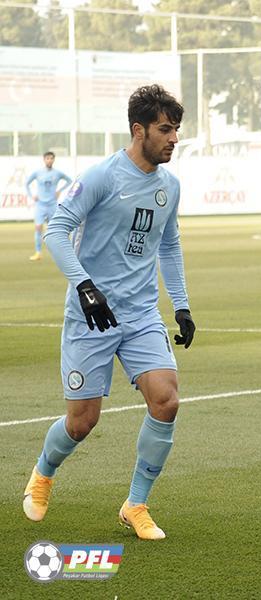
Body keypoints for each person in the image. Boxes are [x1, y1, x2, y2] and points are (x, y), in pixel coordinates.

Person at [22, 85, 195, 541]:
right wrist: (85, 286)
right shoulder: (101, 177)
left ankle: (135, 504)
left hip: (140, 315)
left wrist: (181, 305)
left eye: (176, 129)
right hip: (91, 315)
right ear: (139, 130)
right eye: (165, 129)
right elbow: (57, 230)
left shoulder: (170, 186)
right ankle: (43, 473)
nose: (174, 138)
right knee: (82, 422)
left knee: (166, 400)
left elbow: (169, 245)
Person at [24, 151, 72, 261]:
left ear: (54, 160)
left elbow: (69, 180)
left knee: (56, 229)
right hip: (40, 205)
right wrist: (32, 196)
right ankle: (38, 252)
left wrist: (59, 191)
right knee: (38, 227)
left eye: (51, 158)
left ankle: (60, 253)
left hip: (52, 205)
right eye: (47, 158)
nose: (49, 160)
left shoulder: (57, 173)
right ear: (44, 160)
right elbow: (27, 183)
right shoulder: (38, 172)